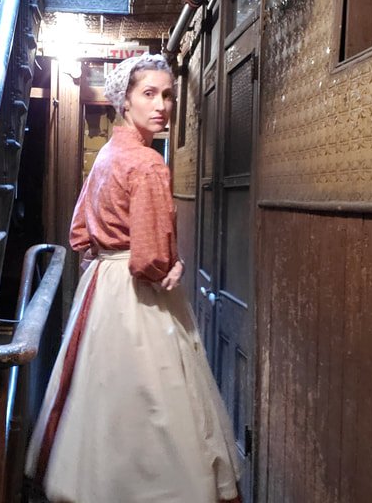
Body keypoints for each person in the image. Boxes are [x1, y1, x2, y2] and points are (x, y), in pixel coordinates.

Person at [25, 54, 241, 503]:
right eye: (149, 94)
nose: (161, 105)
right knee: (155, 400)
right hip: (136, 288)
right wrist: (172, 266)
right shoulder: (147, 164)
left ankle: (100, 485)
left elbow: (79, 233)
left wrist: (107, 260)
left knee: (106, 395)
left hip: (102, 286)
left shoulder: (106, 154)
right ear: (125, 101)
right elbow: (148, 260)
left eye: (167, 96)